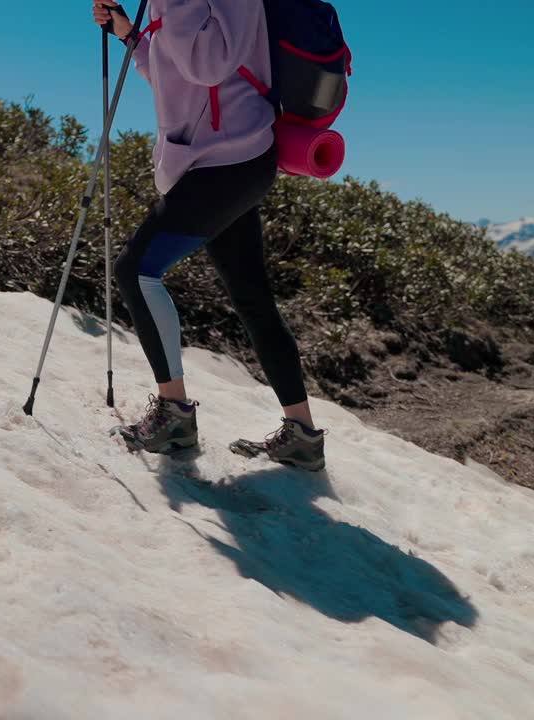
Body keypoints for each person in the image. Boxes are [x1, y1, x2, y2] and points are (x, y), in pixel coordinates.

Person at [92, 0, 326, 471]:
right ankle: (301, 437)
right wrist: (131, 37)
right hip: (222, 159)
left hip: (230, 162)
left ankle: (174, 418)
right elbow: (176, 78)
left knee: (136, 270)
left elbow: (206, 64)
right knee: (251, 296)